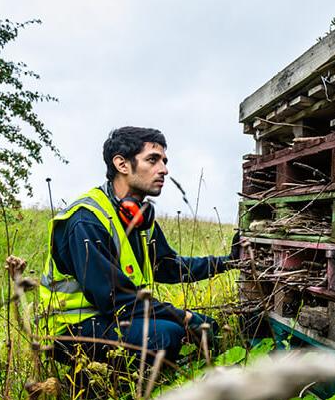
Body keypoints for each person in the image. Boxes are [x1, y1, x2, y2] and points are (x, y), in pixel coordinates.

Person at [39, 126, 239, 364]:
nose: (164, 169)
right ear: (122, 164)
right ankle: (96, 387)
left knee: (202, 326)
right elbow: (115, 299)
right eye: (152, 160)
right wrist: (184, 317)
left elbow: (168, 267)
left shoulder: (140, 218)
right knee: (164, 335)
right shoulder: (86, 220)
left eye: (164, 161)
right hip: (71, 329)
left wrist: (228, 262)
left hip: (112, 317)